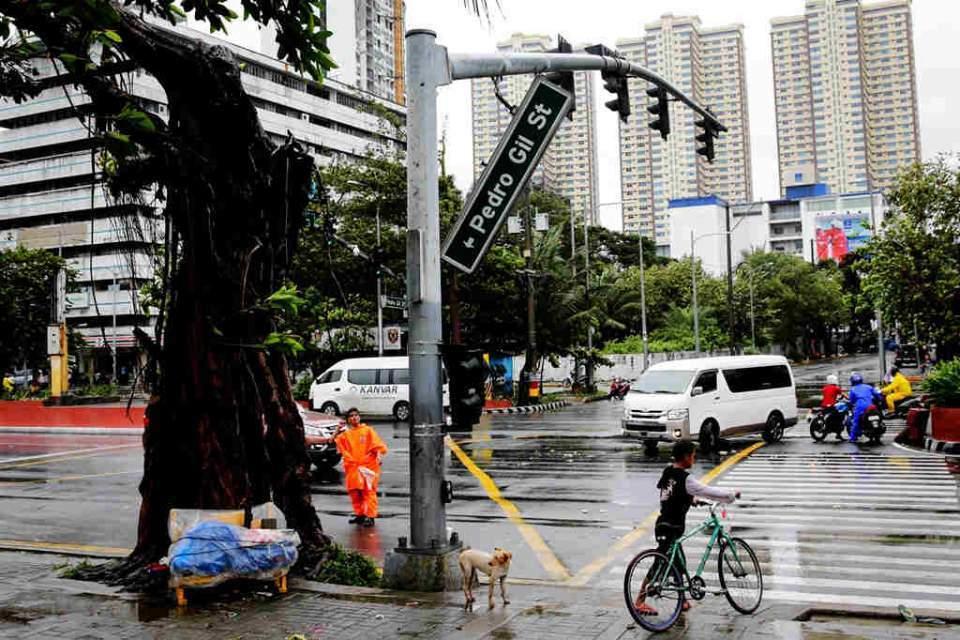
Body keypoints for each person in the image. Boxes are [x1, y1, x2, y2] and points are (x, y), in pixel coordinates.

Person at [634, 440, 739, 615]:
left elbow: (672, 494)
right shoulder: (685, 478)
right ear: (685, 457)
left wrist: (693, 500)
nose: (694, 458)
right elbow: (708, 490)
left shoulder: (669, 473)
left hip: (664, 525)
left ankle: (681, 600)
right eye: (693, 455)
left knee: (679, 563)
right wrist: (730, 495)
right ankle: (639, 601)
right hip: (671, 526)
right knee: (660, 563)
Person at [332, 407, 388, 527]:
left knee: (368, 492)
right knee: (355, 492)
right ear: (348, 420)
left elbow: (377, 445)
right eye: (351, 416)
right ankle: (360, 515)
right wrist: (337, 428)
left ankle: (370, 516)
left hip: (368, 466)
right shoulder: (346, 434)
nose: (354, 417)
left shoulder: (367, 430)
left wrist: (378, 456)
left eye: (356, 415)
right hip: (352, 467)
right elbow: (333, 440)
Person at [848, 373, 882, 443]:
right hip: (870, 406)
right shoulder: (868, 387)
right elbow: (877, 395)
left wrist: (852, 404)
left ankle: (853, 438)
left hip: (860, 406)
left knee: (856, 421)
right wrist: (880, 399)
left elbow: (852, 400)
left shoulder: (853, 389)